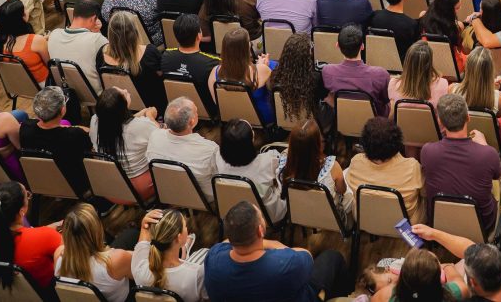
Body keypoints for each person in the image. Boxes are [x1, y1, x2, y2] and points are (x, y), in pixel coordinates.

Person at [203, 200, 347, 301]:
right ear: (260, 230)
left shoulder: (213, 259)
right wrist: (272, 243)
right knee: (332, 257)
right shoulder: (285, 264)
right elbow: (306, 255)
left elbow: (225, 243)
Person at [421, 94, 501, 232]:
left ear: (440, 121)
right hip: (482, 225)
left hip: (439, 222)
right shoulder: (488, 154)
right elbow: (498, 175)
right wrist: (484, 145)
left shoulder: (427, 151)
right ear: (468, 117)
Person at [0, 181, 63, 289]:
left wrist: (47, 229)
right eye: (27, 195)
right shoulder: (48, 237)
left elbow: (29, 237)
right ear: (22, 211)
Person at [346, 116, 425, 222]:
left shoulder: (356, 162)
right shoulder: (412, 167)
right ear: (397, 142)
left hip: (365, 219)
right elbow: (425, 192)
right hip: (403, 223)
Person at [20, 86, 93, 196]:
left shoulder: (25, 128)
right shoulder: (74, 135)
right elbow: (91, 155)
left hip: (42, 180)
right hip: (76, 184)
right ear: (63, 110)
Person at [53, 203, 132, 302]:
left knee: (127, 236)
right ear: (97, 230)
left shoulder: (58, 255)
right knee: (131, 234)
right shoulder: (116, 260)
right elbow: (141, 275)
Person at [146, 97, 220, 201]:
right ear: (192, 122)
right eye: (196, 112)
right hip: (204, 197)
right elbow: (219, 176)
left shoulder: (154, 136)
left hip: (168, 192)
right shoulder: (209, 149)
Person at [216, 119, 286, 223]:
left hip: (233, 210)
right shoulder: (268, 160)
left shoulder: (217, 158)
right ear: (250, 140)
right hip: (266, 215)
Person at [132, 208, 207, 302]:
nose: (187, 228)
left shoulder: (140, 267)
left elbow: (142, 244)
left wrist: (144, 227)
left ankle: (184, 252)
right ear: (179, 238)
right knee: (204, 252)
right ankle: (184, 251)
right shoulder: (197, 273)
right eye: (185, 226)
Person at [98, 11, 166, 113]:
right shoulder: (149, 52)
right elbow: (162, 77)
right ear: (135, 32)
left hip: (116, 108)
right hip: (151, 108)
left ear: (110, 33)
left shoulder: (101, 54)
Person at [322, 25, 391, 116]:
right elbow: (386, 100)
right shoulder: (381, 74)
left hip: (342, 122)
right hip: (374, 125)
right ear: (362, 46)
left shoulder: (327, 71)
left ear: (337, 45)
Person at [48, 0, 108, 91]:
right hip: (94, 92)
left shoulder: (53, 34)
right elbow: (110, 55)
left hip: (65, 90)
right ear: (93, 19)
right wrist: (97, 32)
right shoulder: (96, 39)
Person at [0, 0, 50, 85]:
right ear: (21, 17)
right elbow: (50, 65)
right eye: (25, 9)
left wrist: (42, 39)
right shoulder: (36, 40)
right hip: (42, 83)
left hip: (17, 84)